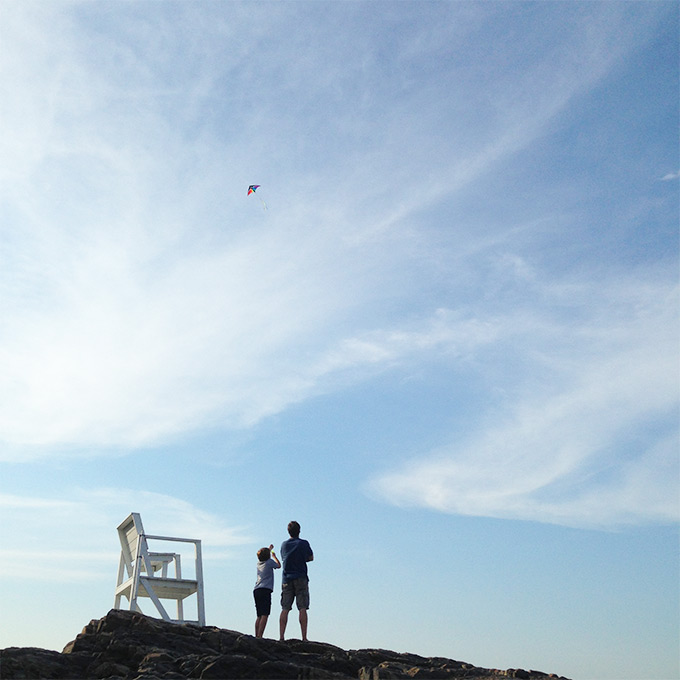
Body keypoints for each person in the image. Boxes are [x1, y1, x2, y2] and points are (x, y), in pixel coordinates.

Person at [279, 520, 314, 641]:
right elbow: (311, 557)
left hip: (286, 578)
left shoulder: (284, 545)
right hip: (301, 577)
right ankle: (304, 637)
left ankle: (281, 636)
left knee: (285, 608)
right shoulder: (303, 543)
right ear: (299, 531)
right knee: (302, 607)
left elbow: (284, 557)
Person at [253, 544, 281, 638]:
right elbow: (278, 565)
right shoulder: (269, 562)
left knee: (259, 615)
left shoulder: (259, 563)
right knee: (265, 614)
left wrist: (269, 549)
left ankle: (256, 635)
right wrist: (275, 557)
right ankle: (260, 636)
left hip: (257, 589)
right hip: (265, 589)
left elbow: (264, 555)